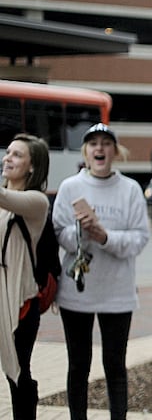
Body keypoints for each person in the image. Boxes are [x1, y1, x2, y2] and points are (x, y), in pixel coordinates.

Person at [53, 123, 150, 420]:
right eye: (93, 143)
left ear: (115, 151)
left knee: (115, 366)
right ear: (86, 151)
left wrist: (104, 237)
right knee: (78, 365)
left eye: (106, 143)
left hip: (117, 294)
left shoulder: (130, 189)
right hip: (77, 294)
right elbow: (58, 234)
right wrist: (82, 232)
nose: (99, 149)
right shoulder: (71, 187)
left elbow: (139, 238)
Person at [0, 134, 50, 419]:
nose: (8, 158)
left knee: (17, 373)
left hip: (19, 301)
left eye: (17, 155)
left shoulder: (36, 202)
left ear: (32, 167)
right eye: (8, 152)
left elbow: (7, 198)